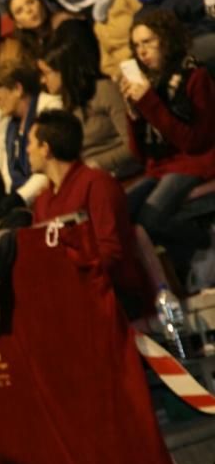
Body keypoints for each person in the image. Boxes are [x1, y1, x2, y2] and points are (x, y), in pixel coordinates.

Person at [119, 9, 215, 272]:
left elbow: (194, 142)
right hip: (161, 165)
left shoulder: (194, 76)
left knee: (151, 218)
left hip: (194, 161)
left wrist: (150, 103)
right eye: (137, 45)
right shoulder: (148, 83)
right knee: (120, 211)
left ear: (166, 39)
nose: (142, 51)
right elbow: (140, 155)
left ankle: (206, 241)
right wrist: (134, 114)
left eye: (148, 42)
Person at [29, 109, 151, 314]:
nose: (27, 150)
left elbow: (111, 253)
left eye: (30, 143)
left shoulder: (98, 184)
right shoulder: (42, 201)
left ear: (45, 148)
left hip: (113, 297)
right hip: (71, 299)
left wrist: (69, 280)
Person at [38, 22, 140, 177]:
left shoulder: (104, 90)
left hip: (124, 174)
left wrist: (90, 166)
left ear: (64, 71)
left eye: (47, 73)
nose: (43, 81)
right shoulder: (67, 103)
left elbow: (132, 146)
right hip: (93, 178)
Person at [0, 58, 62, 202]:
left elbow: (49, 165)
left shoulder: (49, 108)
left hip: (49, 195)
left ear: (17, 89)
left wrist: (18, 199)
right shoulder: (11, 124)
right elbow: (8, 174)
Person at [79, 0, 141, 79]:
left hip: (143, 64)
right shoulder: (99, 10)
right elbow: (106, 61)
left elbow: (150, 22)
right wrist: (116, 74)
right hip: (124, 74)